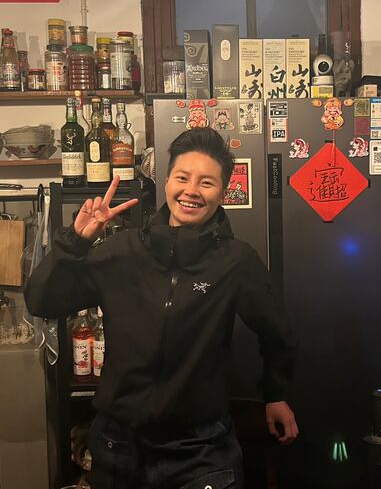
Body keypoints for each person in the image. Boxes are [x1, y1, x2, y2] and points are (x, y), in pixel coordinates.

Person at [25, 127, 298, 489]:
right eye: (183, 178)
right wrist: (74, 242)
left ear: (223, 192)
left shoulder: (235, 261)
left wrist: (275, 393)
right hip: (119, 443)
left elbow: (276, 331)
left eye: (207, 183)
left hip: (201, 446)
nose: (191, 191)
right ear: (166, 181)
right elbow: (43, 301)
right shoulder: (122, 251)